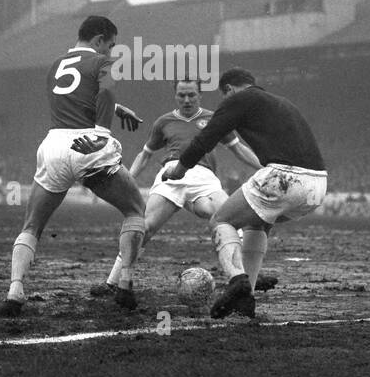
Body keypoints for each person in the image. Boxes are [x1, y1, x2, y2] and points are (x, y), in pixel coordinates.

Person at [2, 15, 146, 317]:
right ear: (98, 40)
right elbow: (104, 92)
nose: (111, 52)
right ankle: (125, 283)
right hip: (89, 145)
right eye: (110, 45)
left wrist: (118, 110)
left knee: (32, 225)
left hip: (54, 145)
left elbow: (75, 97)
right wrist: (102, 135)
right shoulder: (101, 63)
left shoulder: (56, 65)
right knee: (135, 210)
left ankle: (15, 289)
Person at [162, 68, 327, 319]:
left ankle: (238, 280)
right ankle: (245, 299)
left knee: (221, 219)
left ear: (228, 90)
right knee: (257, 224)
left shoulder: (238, 99)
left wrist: (180, 168)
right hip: (317, 185)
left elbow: (206, 137)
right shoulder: (282, 103)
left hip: (284, 176)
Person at [97, 77, 266, 295]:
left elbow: (238, 148)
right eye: (182, 95)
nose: (186, 100)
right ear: (175, 96)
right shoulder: (163, 122)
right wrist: (126, 178)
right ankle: (114, 282)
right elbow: (145, 155)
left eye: (191, 95)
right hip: (171, 176)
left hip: (204, 179)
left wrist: (263, 167)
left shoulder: (214, 119)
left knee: (231, 221)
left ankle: (246, 276)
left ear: (200, 95)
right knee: (144, 228)